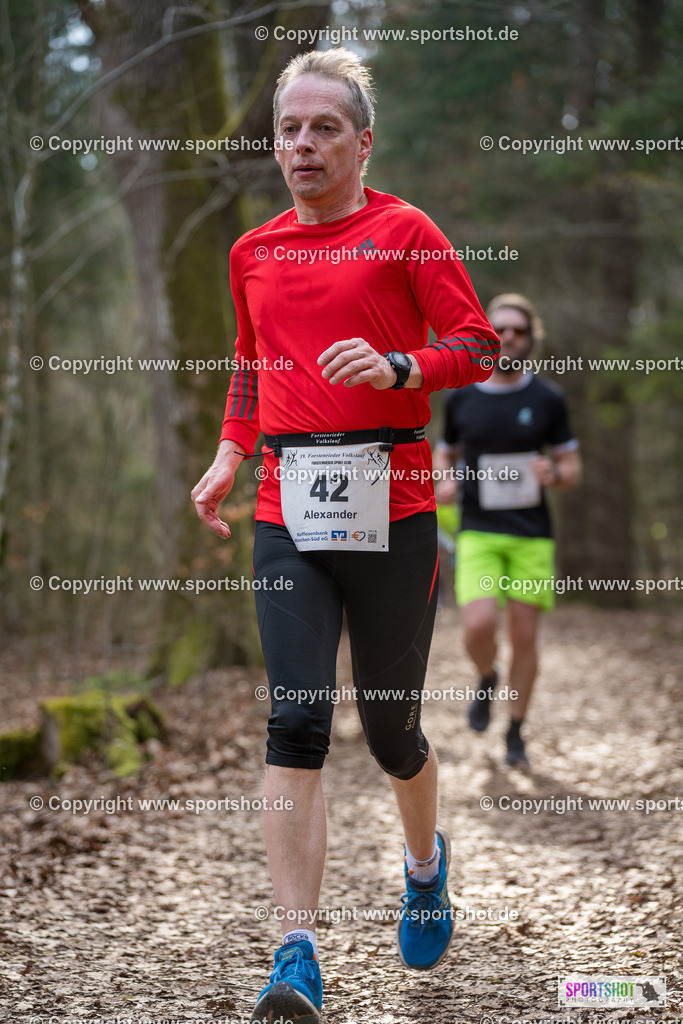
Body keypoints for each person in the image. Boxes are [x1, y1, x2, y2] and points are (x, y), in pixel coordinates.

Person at [191, 47, 499, 1024]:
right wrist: (231, 453)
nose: (303, 144)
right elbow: (248, 366)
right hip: (286, 506)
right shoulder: (251, 252)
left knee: (392, 730)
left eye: (324, 127)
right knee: (294, 721)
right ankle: (294, 955)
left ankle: (423, 865)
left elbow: (475, 345)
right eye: (289, 128)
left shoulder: (404, 231)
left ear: (362, 142)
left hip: (395, 504)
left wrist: (400, 367)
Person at [434, 293, 581, 769]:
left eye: (518, 330)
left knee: (524, 634)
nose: (508, 338)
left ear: (530, 338)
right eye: (499, 329)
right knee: (477, 625)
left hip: (532, 535)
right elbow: (446, 453)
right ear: (485, 334)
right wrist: (446, 479)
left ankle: (516, 728)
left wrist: (553, 476)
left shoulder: (547, 398)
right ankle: (486, 673)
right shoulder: (463, 397)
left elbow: (571, 466)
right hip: (478, 529)